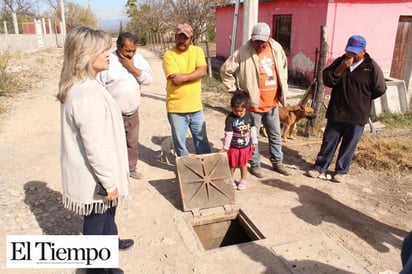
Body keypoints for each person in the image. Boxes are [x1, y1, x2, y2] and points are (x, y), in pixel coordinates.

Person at [57, 26, 133, 274]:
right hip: (96, 179)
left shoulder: (86, 85)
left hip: (98, 177)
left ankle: (108, 266)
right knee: (97, 223)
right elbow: (95, 147)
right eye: (103, 50)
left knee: (106, 220)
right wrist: (110, 182)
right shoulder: (86, 93)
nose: (109, 53)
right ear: (85, 55)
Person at [307, 35, 386, 183]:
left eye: (354, 52)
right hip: (337, 112)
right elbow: (328, 80)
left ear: (363, 51)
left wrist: (362, 100)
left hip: (357, 115)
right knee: (329, 142)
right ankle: (319, 167)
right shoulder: (339, 62)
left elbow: (380, 88)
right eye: (349, 51)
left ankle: (341, 171)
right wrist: (341, 68)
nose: (350, 55)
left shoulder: (371, 67)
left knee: (349, 144)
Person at [220, 22, 290, 178]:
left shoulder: (276, 48)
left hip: (272, 103)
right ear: (252, 38)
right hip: (252, 105)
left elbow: (284, 67)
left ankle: (277, 162)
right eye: (256, 40)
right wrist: (234, 89)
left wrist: (282, 89)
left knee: (275, 135)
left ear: (268, 38)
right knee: (253, 137)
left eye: (262, 41)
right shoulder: (242, 52)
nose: (259, 44)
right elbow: (225, 70)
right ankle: (255, 164)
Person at [98, 32, 153, 180]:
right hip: (113, 113)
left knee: (132, 143)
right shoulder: (108, 61)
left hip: (132, 111)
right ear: (118, 47)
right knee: (113, 143)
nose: (130, 54)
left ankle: (131, 168)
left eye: (133, 50)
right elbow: (99, 86)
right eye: (127, 51)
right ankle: (113, 172)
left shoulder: (138, 59)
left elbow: (149, 79)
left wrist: (132, 68)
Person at [162, 23, 211, 156]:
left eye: (185, 38)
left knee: (202, 141)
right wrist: (194, 74)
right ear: (175, 38)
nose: (182, 41)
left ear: (191, 39)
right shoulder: (169, 54)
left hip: (196, 107)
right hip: (176, 108)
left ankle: (205, 168)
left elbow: (203, 71)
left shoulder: (197, 51)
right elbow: (175, 79)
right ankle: (185, 170)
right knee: (180, 144)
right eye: (179, 37)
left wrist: (184, 76)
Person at [222, 90, 258, 190]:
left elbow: (253, 129)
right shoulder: (230, 118)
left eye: (241, 111)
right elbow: (228, 134)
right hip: (233, 147)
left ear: (246, 108)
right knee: (232, 164)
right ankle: (230, 179)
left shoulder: (249, 116)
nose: (238, 113)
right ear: (232, 108)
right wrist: (226, 147)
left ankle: (243, 180)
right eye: (235, 110)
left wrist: (254, 141)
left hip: (245, 146)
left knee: (243, 164)